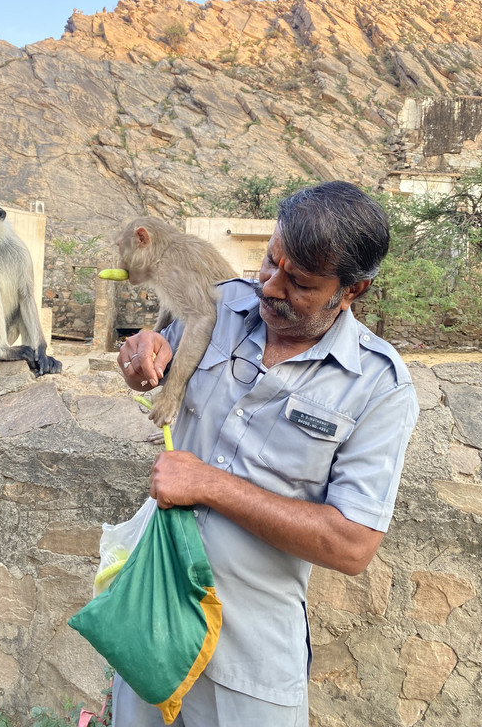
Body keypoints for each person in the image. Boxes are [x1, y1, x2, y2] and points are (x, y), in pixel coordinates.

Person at [113, 181, 419, 727]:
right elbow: (154, 361)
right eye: (269, 261)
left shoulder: (378, 386)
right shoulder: (219, 303)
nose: (270, 287)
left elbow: (351, 545)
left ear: (352, 291)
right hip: (149, 617)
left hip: (249, 657)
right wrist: (140, 360)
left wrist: (209, 484)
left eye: (299, 281)